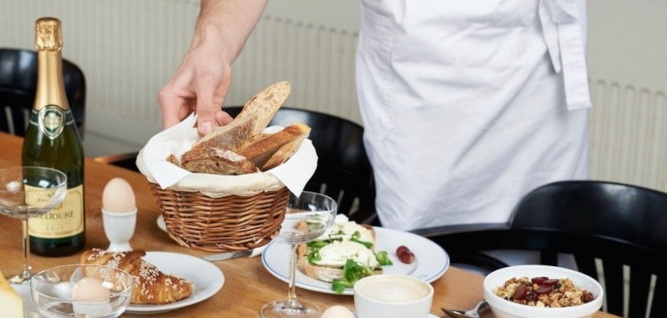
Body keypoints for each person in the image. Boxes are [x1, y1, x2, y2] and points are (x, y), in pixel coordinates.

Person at [158, 0, 591, 231]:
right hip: (425, 82)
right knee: (425, 260)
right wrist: (211, 43)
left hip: (541, 85)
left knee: (544, 262)